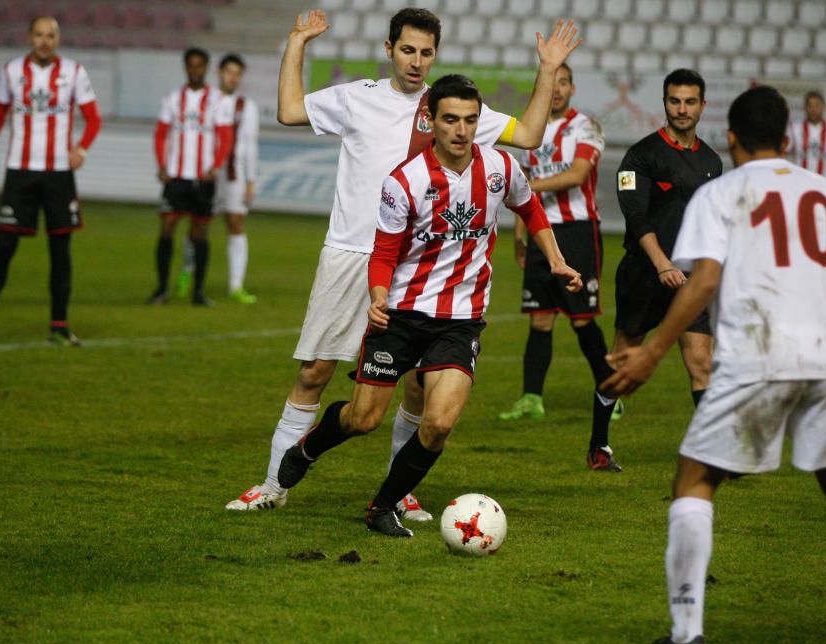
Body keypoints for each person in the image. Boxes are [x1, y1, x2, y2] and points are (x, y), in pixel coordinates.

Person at [225, 8, 580, 517]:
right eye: (408, 50)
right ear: (390, 48)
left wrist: (547, 69)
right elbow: (287, 110)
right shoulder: (357, 98)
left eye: (426, 52)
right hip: (352, 252)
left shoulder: (449, 110)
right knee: (315, 372)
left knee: (418, 383)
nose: (416, 62)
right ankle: (272, 486)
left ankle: (399, 492)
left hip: (418, 266)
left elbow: (527, 136)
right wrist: (298, 43)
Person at [600, 86, 826, 644]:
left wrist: (652, 351)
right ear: (790, 139)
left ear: (733, 138)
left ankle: (687, 634)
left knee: (694, 480)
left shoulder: (721, 193)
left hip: (758, 360)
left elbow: (704, 281)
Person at [588, 69, 723, 473]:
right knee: (622, 362)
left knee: (701, 363)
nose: (681, 109)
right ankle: (598, 447)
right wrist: (661, 263)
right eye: (674, 101)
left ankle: (711, 456)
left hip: (691, 279)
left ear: (702, 105)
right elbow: (635, 217)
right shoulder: (640, 156)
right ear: (664, 103)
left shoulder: (712, 162)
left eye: (689, 102)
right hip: (644, 276)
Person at [0, 16, 102, 346]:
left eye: (50, 35)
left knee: (60, 251)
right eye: (39, 35)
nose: (44, 41)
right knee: (4, 246)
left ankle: (59, 325)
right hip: (20, 173)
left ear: (58, 38)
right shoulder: (11, 71)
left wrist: (81, 148)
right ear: (29, 37)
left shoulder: (75, 72)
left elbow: (94, 118)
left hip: (58, 175)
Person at [498, 63, 619, 423]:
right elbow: (524, 186)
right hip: (540, 233)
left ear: (572, 88)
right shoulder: (529, 131)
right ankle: (531, 398)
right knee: (539, 319)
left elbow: (577, 175)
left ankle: (611, 395)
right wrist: (520, 234)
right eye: (552, 83)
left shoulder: (586, 126)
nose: (557, 89)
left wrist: (529, 188)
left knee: (582, 320)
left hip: (577, 231)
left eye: (563, 83)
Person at [149, 48, 233, 307]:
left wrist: (216, 166)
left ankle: (198, 291)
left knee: (200, 234)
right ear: (185, 67)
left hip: (203, 178)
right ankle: (162, 289)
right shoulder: (173, 99)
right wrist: (162, 165)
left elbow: (225, 137)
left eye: (200, 66)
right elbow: (161, 134)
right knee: (167, 229)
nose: (195, 70)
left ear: (206, 68)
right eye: (191, 66)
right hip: (176, 176)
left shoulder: (218, 99)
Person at [177, 53, 258, 305]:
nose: (233, 77)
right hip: (207, 173)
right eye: (229, 72)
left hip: (233, 175)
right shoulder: (207, 101)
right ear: (219, 73)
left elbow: (249, 146)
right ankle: (187, 274)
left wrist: (250, 179)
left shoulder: (247, 106)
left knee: (235, 223)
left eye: (237, 74)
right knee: (198, 225)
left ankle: (236, 285)